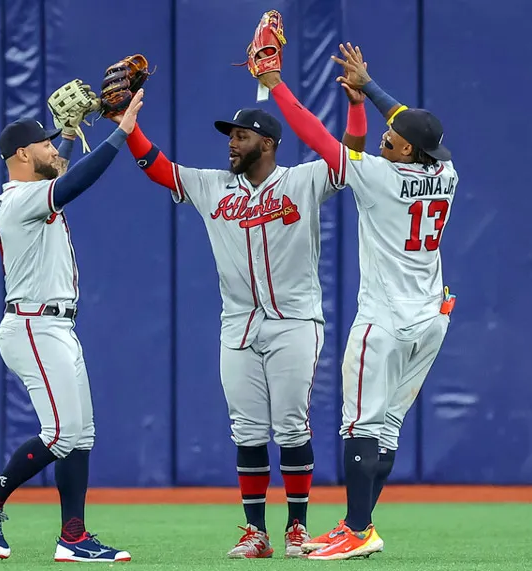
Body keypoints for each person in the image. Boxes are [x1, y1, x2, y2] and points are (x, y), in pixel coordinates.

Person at [116, 89, 367, 557]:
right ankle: (256, 533)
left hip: (294, 322)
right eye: (229, 136)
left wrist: (356, 105)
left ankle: (296, 528)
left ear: (268, 142)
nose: (231, 144)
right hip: (238, 327)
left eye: (241, 136)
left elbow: (349, 153)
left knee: (291, 426)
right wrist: (129, 129)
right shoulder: (214, 186)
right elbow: (158, 167)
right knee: (247, 430)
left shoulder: (303, 180)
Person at [257, 42, 458, 560]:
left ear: (406, 150)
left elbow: (316, 137)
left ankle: (358, 529)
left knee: (359, 425)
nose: (385, 132)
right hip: (432, 318)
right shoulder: (447, 173)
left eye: (392, 135)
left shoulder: (380, 176)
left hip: (385, 320)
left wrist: (275, 83)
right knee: (386, 426)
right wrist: (367, 89)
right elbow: (407, 123)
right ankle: (359, 524)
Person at [0, 87, 145, 563]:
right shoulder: (20, 200)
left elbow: (56, 173)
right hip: (32, 325)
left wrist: (63, 136)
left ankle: (74, 537)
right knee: (61, 433)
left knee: (80, 437)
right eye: (43, 143)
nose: (52, 148)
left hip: (55, 327)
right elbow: (72, 183)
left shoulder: (30, 193)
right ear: (22, 154)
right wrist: (121, 133)